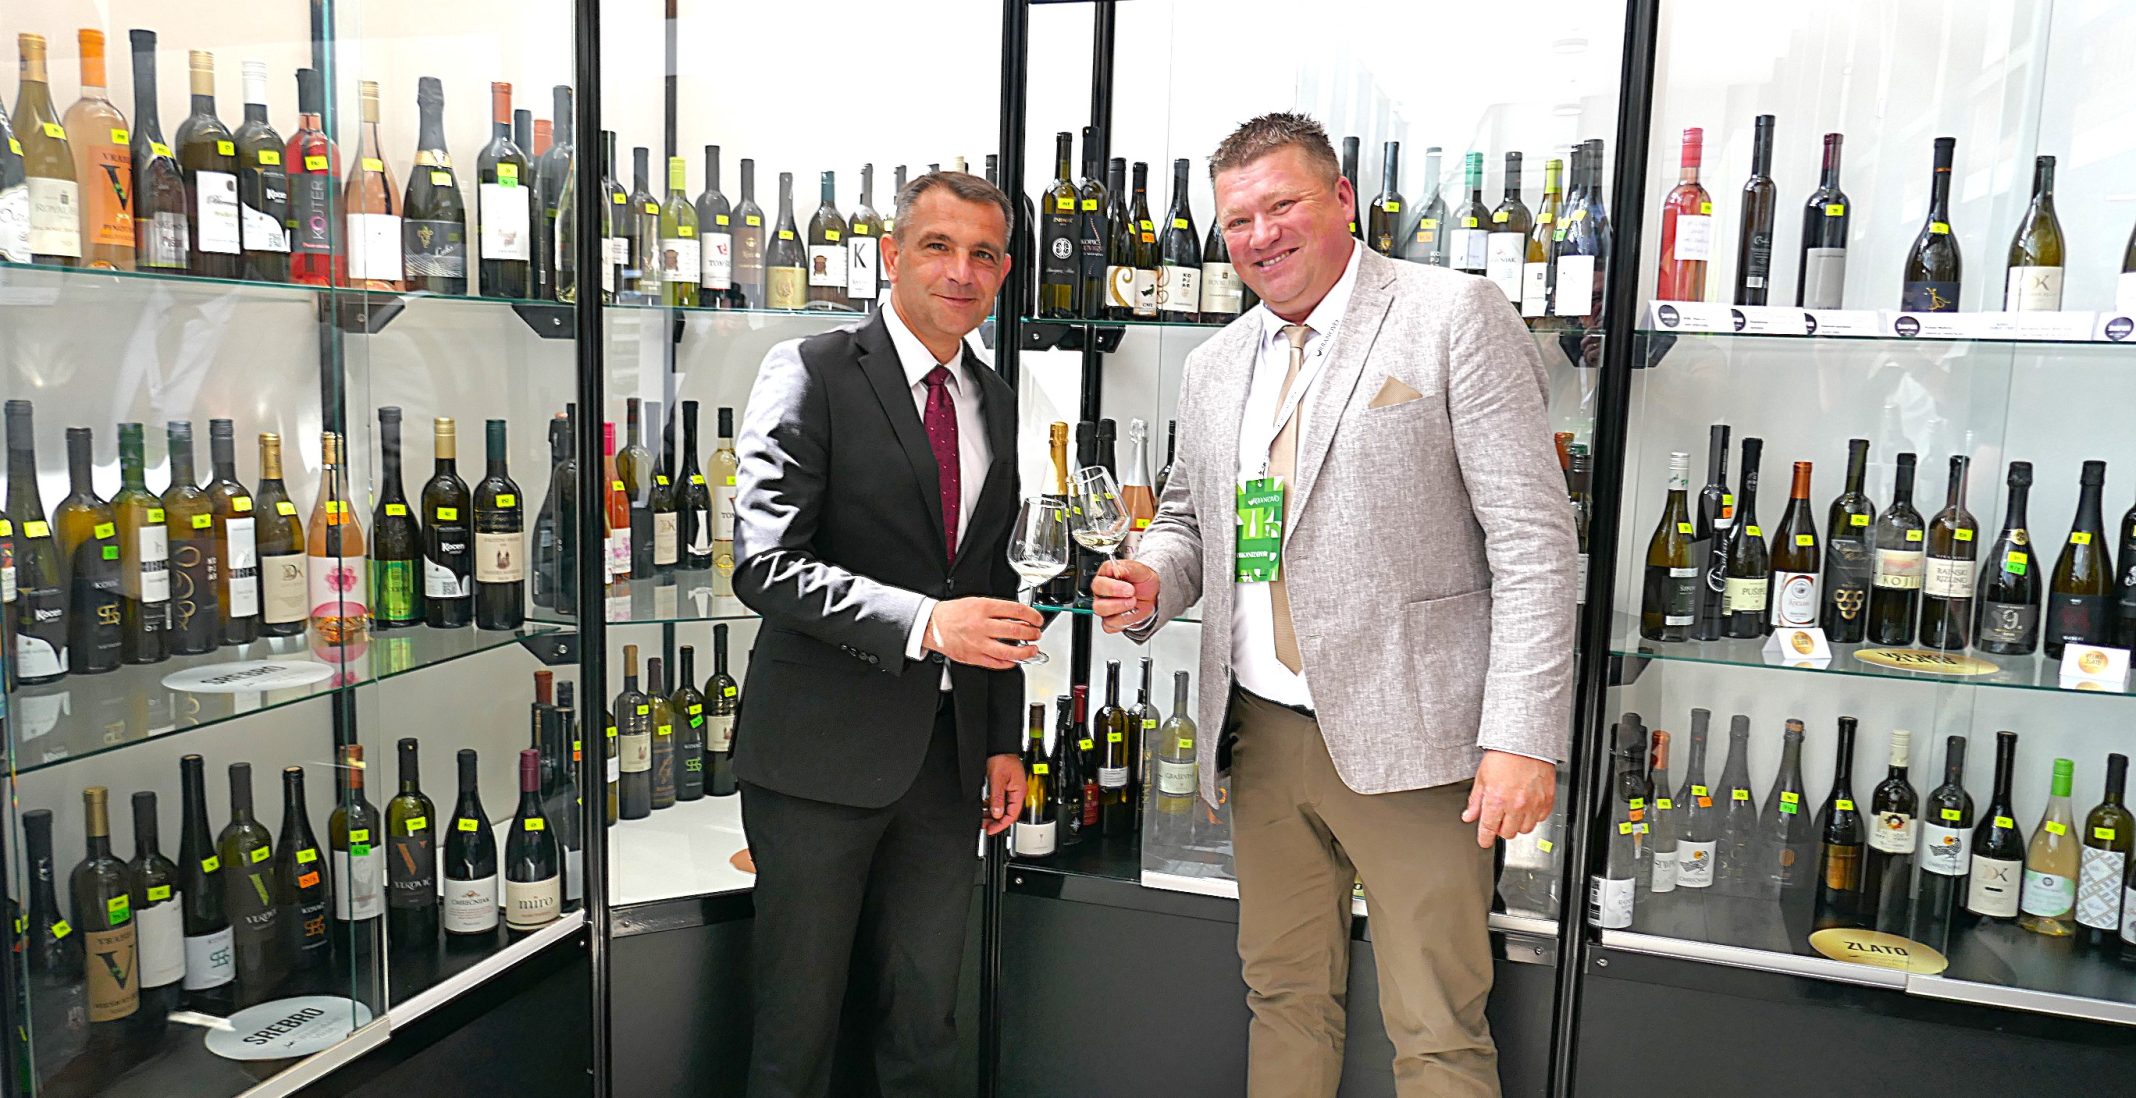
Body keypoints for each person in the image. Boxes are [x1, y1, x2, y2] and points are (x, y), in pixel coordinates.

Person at [1092, 113, 1576, 1097]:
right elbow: (1190, 519)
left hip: (1417, 747)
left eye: (1283, 206)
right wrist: (1154, 578)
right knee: (1283, 999)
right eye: (1238, 221)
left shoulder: (1454, 315)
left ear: (1342, 199)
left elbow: (1534, 541)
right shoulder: (1215, 362)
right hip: (1262, 738)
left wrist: (1523, 738)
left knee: (1438, 1032)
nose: (1260, 236)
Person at [730, 170, 1039, 1098]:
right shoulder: (811, 370)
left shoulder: (996, 399)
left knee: (923, 1028)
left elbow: (988, 584)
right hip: (816, 762)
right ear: (890, 255)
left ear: (1005, 272)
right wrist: (926, 624)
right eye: (938, 246)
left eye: (984, 254)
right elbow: (765, 563)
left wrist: (1000, 739)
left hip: (945, 767)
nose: (961, 271)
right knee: (796, 1034)